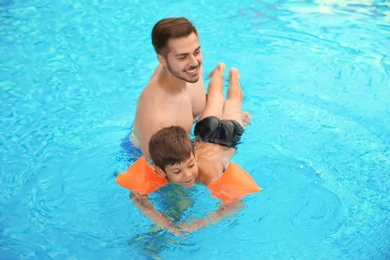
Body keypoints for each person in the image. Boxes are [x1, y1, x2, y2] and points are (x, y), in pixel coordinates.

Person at [131, 63, 252, 234]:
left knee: (232, 102)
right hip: (205, 131)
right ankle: (218, 73)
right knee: (215, 99)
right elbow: (136, 195)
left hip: (228, 136)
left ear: (193, 158)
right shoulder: (163, 165)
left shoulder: (207, 175)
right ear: (159, 170)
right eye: (177, 171)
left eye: (190, 165)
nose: (188, 175)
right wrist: (166, 223)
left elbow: (235, 204)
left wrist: (198, 223)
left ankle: (233, 77)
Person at [130, 17, 212, 159]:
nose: (194, 62)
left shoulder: (189, 69)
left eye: (197, 52)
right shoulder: (158, 118)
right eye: (182, 57)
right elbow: (168, 174)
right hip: (144, 157)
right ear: (163, 60)